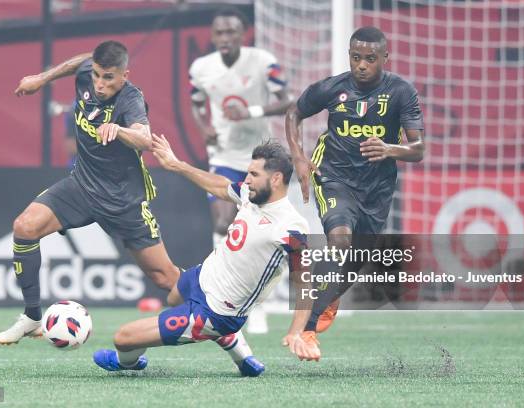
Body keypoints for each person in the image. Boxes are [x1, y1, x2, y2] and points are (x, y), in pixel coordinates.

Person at [0, 41, 180, 345]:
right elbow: (81, 60)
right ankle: (31, 317)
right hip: (81, 186)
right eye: (96, 75)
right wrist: (42, 79)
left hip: (123, 201)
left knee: (166, 279)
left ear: (124, 76)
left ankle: (216, 311)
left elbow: (145, 138)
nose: (99, 83)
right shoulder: (88, 72)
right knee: (24, 227)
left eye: (108, 77)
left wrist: (119, 130)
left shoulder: (131, 98)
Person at [92, 137, 320, 376]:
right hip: (203, 276)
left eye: (254, 174)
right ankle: (232, 343)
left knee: (123, 338)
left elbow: (305, 284)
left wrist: (296, 332)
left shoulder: (291, 228)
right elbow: (221, 186)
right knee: (172, 298)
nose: (248, 180)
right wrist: (176, 164)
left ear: (275, 179)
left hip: (217, 312)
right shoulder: (251, 194)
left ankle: (128, 362)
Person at [284, 27, 425, 340]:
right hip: (334, 176)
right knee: (340, 242)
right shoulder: (333, 88)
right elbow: (294, 112)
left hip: (377, 189)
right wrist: (299, 157)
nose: (361, 64)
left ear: (385, 58)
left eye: (370, 59)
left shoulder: (401, 92)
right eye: (356, 57)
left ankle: (327, 296)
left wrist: (390, 149)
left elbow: (418, 149)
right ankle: (305, 327)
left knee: (355, 261)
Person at [189, 7, 293, 248]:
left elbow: (288, 102)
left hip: (261, 157)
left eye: (231, 32)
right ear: (213, 36)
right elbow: (196, 104)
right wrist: (204, 128)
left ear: (243, 34)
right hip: (224, 155)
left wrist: (250, 112)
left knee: (265, 229)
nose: (225, 38)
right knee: (223, 223)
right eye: (220, 33)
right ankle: (216, 280)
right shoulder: (200, 68)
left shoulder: (264, 62)